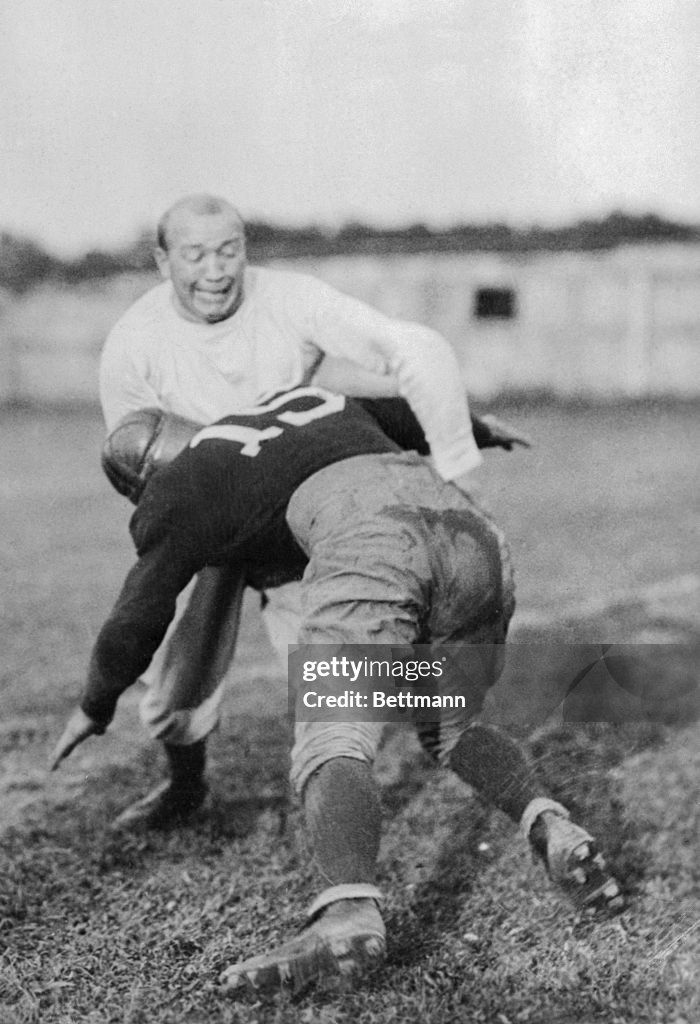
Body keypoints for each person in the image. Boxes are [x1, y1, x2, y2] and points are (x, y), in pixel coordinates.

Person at [51, 386, 624, 997]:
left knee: (332, 734)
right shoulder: (297, 404)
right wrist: (481, 427)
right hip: (471, 534)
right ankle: (550, 823)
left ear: (143, 481)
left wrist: (95, 703)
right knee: (449, 721)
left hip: (370, 541)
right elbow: (405, 411)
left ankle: (346, 915)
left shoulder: (178, 489)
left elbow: (136, 619)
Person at [98, 192, 487, 828]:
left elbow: (387, 368)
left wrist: (461, 435)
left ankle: (421, 741)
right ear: (161, 260)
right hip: (209, 521)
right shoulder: (132, 346)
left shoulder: (292, 299)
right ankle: (184, 788)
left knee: (344, 664)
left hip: (297, 509)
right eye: (195, 255)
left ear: (246, 248)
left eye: (229, 250)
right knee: (175, 683)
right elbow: (138, 473)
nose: (216, 270)